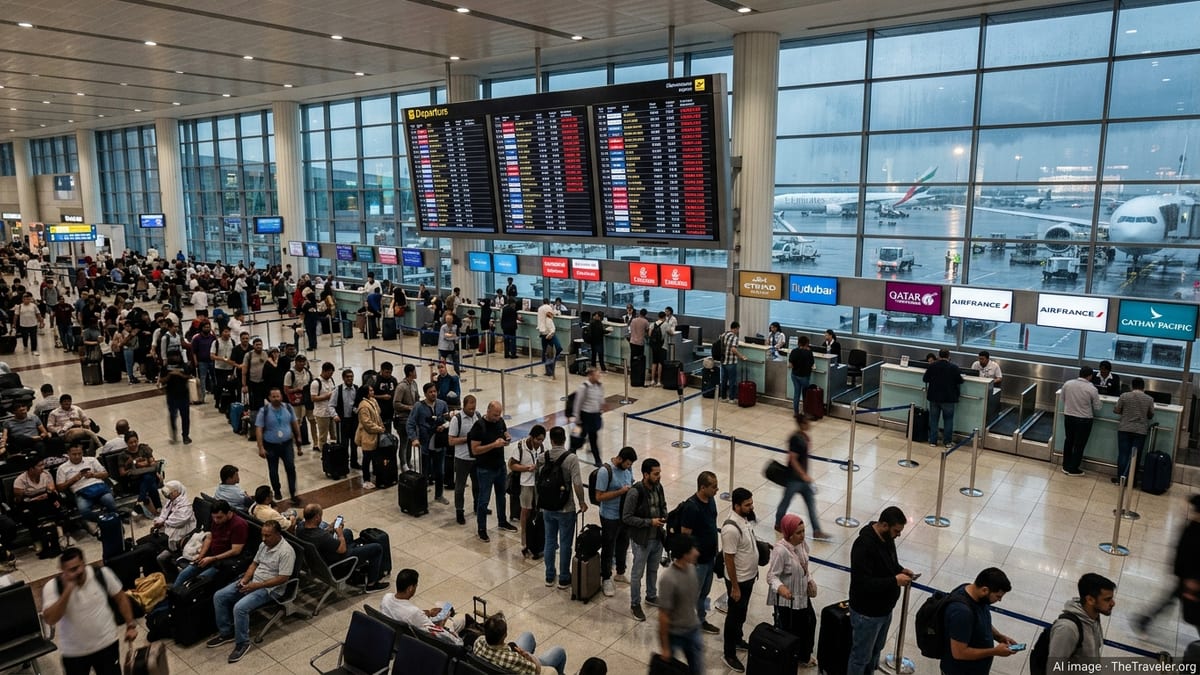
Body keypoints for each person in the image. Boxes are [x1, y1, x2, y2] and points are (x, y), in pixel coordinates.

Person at [209, 519, 296, 663]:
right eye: (262, 535)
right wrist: (245, 579)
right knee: (219, 596)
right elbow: (254, 564)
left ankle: (242, 643)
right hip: (254, 581)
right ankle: (226, 632)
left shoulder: (286, 552)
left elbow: (283, 578)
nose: (263, 539)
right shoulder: (263, 545)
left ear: (278, 534)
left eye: (267, 535)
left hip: (270, 589)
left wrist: (257, 585)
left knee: (240, 608)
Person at [42, 547, 139, 675]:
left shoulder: (102, 574)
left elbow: (121, 598)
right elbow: (50, 619)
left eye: (76, 568)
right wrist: (67, 592)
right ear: (63, 571)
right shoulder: (52, 587)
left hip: (107, 645)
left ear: (83, 563)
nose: (74, 574)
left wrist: (130, 625)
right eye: (69, 571)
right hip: (74, 653)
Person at [847, 506, 914, 675]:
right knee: (861, 657)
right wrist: (894, 581)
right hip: (867, 614)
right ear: (884, 525)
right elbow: (863, 583)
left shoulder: (887, 538)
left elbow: (889, 564)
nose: (898, 535)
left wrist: (900, 570)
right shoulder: (863, 545)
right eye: (896, 531)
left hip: (884, 610)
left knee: (876, 650)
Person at [1135, 493, 1200, 634]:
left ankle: (1144, 620)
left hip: (1187, 576)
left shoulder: (1191, 527)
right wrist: (1192, 579)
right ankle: (1143, 620)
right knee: (1189, 608)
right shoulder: (1194, 529)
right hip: (1190, 578)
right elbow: (1186, 554)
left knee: (1171, 599)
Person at [940, 568, 1017, 675]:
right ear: (985, 590)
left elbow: (980, 620)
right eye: (998, 596)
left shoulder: (973, 592)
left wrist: (998, 636)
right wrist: (995, 651)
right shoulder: (962, 613)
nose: (999, 600)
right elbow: (959, 653)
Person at [296, 503, 389, 592]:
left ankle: (354, 572)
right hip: (338, 565)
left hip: (322, 559)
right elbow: (342, 550)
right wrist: (340, 534)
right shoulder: (322, 536)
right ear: (316, 517)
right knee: (377, 548)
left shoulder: (300, 528)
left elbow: (320, 538)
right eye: (320, 516)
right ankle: (372, 585)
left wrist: (329, 528)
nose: (321, 518)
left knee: (347, 532)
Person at [537, 426, 587, 588]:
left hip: (547, 507)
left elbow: (538, 478)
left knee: (549, 541)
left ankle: (549, 576)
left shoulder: (543, 457)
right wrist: (582, 501)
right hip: (566, 507)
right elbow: (577, 483)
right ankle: (564, 578)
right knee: (565, 544)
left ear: (551, 440)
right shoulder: (571, 458)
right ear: (564, 439)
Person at [767, 514, 818, 668]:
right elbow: (771, 576)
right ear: (789, 533)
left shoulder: (801, 545)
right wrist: (781, 588)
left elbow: (804, 565)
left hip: (801, 595)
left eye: (803, 531)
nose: (802, 535)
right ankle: (791, 657)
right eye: (798, 532)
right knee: (791, 630)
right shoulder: (780, 551)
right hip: (787, 600)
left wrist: (809, 580)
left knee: (810, 622)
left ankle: (804, 654)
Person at [720, 487, 759, 673]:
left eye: (751, 503)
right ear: (736, 506)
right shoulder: (730, 529)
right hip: (739, 581)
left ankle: (737, 639)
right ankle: (729, 653)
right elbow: (729, 559)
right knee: (734, 616)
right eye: (747, 504)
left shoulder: (744, 519)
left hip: (748, 577)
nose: (751, 507)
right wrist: (735, 587)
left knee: (741, 613)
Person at [677, 471, 721, 634]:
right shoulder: (692, 507)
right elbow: (685, 535)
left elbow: (712, 525)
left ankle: (700, 619)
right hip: (698, 562)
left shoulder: (711, 500)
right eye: (714, 487)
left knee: (704, 592)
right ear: (703, 487)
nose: (717, 490)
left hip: (710, 557)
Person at [623, 457, 667, 622]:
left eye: (659, 473)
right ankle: (635, 603)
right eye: (655, 474)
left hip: (657, 538)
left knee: (653, 569)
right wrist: (649, 522)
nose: (659, 476)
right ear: (645, 474)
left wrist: (664, 515)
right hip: (642, 540)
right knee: (637, 574)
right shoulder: (635, 492)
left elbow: (663, 505)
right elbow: (627, 517)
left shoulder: (659, 487)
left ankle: (651, 595)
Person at [468, 400, 518, 542]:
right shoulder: (479, 426)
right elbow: (475, 450)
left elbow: (504, 432)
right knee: (484, 500)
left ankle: (502, 521)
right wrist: (493, 445)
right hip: (485, 469)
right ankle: (482, 529)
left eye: (499, 414)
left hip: (500, 466)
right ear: (488, 411)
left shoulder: (500, 421)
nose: (497, 417)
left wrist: (507, 438)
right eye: (495, 414)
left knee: (501, 496)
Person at [776, 413, 830, 539]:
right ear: (802, 424)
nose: (810, 424)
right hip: (794, 479)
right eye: (807, 422)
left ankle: (817, 530)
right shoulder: (796, 439)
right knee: (786, 501)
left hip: (802, 480)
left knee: (810, 504)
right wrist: (803, 474)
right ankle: (778, 523)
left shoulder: (803, 437)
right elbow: (793, 459)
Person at [174, 499, 248, 589]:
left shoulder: (239, 525)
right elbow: (209, 537)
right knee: (184, 574)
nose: (216, 520)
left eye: (219, 517)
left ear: (229, 513)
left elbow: (236, 550)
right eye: (214, 517)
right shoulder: (216, 520)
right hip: (209, 556)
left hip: (222, 562)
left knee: (198, 583)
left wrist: (213, 558)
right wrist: (201, 555)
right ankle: (172, 594)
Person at [380, 568, 464, 646]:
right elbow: (437, 634)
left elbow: (403, 612)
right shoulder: (414, 612)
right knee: (460, 619)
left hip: (393, 638)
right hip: (420, 643)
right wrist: (458, 641)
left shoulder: (386, 598)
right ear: (410, 588)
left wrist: (429, 613)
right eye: (416, 586)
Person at [657, 533, 703, 675]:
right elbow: (663, 615)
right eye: (692, 550)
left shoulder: (692, 569)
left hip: (692, 628)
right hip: (674, 633)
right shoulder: (668, 579)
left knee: (697, 669)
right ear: (684, 555)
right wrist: (665, 647)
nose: (697, 552)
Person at [1046, 573, 1115, 666]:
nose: (1113, 603)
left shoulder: (1093, 617)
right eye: (1107, 599)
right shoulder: (1067, 629)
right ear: (1090, 600)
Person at [595, 446, 636, 597]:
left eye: (630, 465)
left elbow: (630, 483)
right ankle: (606, 577)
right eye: (627, 464)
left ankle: (620, 571)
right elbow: (599, 496)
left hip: (624, 515)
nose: (629, 467)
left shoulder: (628, 469)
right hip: (609, 516)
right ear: (619, 459)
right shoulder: (605, 472)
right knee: (608, 547)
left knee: (623, 544)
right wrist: (620, 492)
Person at [472, 613, 568, 675]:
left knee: (528, 636)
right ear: (504, 636)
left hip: (493, 666)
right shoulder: (513, 659)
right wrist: (528, 658)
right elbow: (536, 670)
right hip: (522, 666)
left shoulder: (479, 642)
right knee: (559, 652)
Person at [255, 387, 303, 502]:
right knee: (273, 469)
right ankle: (277, 491)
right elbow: (259, 429)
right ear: (269, 398)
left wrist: (298, 438)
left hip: (287, 444)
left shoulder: (288, 408)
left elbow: (294, 423)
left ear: (281, 396)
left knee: (290, 467)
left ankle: (293, 493)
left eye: (278, 396)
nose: (276, 398)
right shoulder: (264, 411)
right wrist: (260, 447)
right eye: (274, 396)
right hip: (271, 445)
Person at [408, 382, 451, 504]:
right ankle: (422, 495)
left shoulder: (442, 404)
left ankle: (439, 495)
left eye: (435, 391)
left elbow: (448, 420)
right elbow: (410, 423)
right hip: (425, 444)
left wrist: (444, 426)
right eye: (430, 392)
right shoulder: (418, 407)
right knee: (425, 471)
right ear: (425, 394)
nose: (433, 394)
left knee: (440, 471)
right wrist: (414, 438)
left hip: (439, 444)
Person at [58, 442, 117, 527]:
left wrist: (93, 475)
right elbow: (60, 487)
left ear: (83, 452)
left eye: (79, 453)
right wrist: (73, 479)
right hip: (81, 492)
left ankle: (114, 521)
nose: (77, 456)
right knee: (84, 510)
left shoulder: (91, 460)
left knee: (110, 502)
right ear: (68, 454)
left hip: (98, 487)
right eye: (74, 454)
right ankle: (103, 520)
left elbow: (105, 474)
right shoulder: (62, 468)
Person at [509, 424, 545, 557]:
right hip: (525, 483)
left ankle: (538, 539)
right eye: (538, 439)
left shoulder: (541, 448)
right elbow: (512, 465)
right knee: (525, 511)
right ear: (531, 437)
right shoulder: (520, 447)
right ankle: (524, 541)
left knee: (538, 511)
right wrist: (526, 468)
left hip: (537, 483)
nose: (539, 442)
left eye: (542, 440)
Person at [1060, 366, 1101, 477]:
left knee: (1069, 441)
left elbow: (1062, 399)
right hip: (1084, 419)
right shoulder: (1091, 388)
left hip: (1069, 416)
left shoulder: (1068, 384)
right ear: (1090, 376)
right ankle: (1073, 469)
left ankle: (1065, 465)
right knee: (1079, 444)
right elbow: (1097, 406)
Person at [1113, 377, 1154, 484]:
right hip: (1140, 431)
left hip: (1125, 428)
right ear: (1143, 387)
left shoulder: (1124, 396)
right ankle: (1132, 481)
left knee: (1123, 454)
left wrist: (1125, 412)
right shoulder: (1149, 399)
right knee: (1135, 456)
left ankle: (1121, 479)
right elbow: (1150, 415)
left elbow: (1116, 410)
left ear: (1132, 386)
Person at [450, 395, 483, 526]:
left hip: (476, 457)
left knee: (478, 484)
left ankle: (478, 506)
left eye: (474, 408)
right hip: (462, 458)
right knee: (460, 487)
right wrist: (468, 438)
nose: (472, 411)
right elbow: (451, 441)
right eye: (470, 408)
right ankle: (459, 511)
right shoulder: (456, 420)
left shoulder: (477, 416)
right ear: (464, 406)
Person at [923, 348, 964, 448]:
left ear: (938, 356)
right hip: (948, 398)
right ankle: (947, 442)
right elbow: (960, 381)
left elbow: (925, 379)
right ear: (949, 356)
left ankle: (933, 441)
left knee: (933, 420)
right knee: (948, 420)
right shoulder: (954, 367)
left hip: (934, 397)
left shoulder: (932, 366)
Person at [571, 366, 609, 467]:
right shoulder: (584, 387)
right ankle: (572, 452)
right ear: (590, 375)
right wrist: (577, 418)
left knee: (593, 439)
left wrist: (601, 409)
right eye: (597, 374)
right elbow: (578, 403)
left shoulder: (600, 386)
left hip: (594, 417)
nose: (599, 376)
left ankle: (597, 460)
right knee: (579, 438)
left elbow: (601, 400)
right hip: (584, 417)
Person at [119, 431, 162, 518]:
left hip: (148, 477)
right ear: (126, 443)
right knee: (149, 480)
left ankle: (140, 501)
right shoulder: (123, 455)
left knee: (147, 477)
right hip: (135, 481)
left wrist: (151, 464)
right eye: (131, 443)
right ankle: (158, 507)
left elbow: (152, 462)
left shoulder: (144, 449)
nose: (134, 444)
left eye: (135, 441)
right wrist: (131, 465)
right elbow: (122, 473)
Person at [355, 384, 387, 489]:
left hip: (375, 434)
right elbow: (367, 423)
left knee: (375, 457)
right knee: (367, 458)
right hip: (367, 436)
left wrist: (381, 426)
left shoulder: (373, 401)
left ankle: (376, 476)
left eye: (373, 390)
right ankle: (366, 479)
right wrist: (379, 429)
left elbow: (378, 415)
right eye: (370, 391)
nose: (373, 392)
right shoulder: (363, 406)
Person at [159, 350, 194, 444]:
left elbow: (189, 376)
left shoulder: (184, 365)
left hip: (184, 394)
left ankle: (185, 435)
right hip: (171, 395)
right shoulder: (166, 367)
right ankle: (174, 434)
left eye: (178, 356)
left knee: (185, 416)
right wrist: (170, 375)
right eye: (174, 356)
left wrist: (180, 374)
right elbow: (162, 380)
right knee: (172, 416)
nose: (176, 358)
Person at [333, 368, 361, 470]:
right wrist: (335, 415)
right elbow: (331, 405)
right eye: (347, 377)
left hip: (354, 421)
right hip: (342, 421)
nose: (350, 378)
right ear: (343, 378)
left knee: (354, 443)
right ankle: (343, 464)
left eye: (351, 376)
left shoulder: (357, 389)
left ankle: (354, 462)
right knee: (343, 444)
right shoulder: (338, 390)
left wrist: (357, 410)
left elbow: (359, 403)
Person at [394, 363, 420, 467]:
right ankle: (403, 463)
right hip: (402, 419)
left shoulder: (414, 384)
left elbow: (417, 398)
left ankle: (408, 461)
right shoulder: (401, 387)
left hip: (412, 419)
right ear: (410, 373)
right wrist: (408, 407)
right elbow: (396, 404)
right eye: (414, 371)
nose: (416, 373)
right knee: (404, 442)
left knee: (410, 441)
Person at [310, 362, 337, 449]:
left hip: (331, 412)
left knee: (334, 434)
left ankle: (334, 451)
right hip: (321, 413)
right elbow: (313, 398)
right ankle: (323, 452)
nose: (331, 375)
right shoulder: (316, 383)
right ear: (324, 371)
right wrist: (327, 396)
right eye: (329, 373)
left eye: (332, 373)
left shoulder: (331, 380)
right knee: (323, 436)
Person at [788, 335, 815, 415]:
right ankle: (805, 411)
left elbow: (790, 365)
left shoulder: (794, 351)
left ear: (798, 343)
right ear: (807, 343)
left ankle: (796, 412)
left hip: (794, 375)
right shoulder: (809, 352)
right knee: (805, 394)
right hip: (804, 376)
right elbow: (812, 364)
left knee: (796, 393)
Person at [717, 322, 744, 402]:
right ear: (736, 328)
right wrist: (741, 356)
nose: (738, 331)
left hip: (723, 361)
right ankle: (731, 398)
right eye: (738, 329)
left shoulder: (723, 335)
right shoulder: (734, 337)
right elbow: (733, 349)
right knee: (732, 381)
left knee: (723, 380)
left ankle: (723, 397)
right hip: (731, 362)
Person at [536, 298, 562, 379]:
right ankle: (550, 370)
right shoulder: (549, 311)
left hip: (542, 333)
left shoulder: (539, 309)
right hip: (549, 334)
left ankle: (547, 370)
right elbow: (555, 314)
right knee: (550, 353)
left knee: (545, 352)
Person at [438, 310, 461, 374]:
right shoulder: (443, 327)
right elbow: (445, 336)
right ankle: (442, 375)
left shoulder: (454, 326)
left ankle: (457, 374)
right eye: (447, 319)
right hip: (443, 347)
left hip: (451, 347)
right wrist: (452, 336)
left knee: (456, 361)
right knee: (442, 363)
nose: (449, 320)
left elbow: (455, 336)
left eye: (450, 319)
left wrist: (452, 336)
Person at [648, 311, 667, 385]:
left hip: (654, 346)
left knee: (654, 362)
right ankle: (659, 381)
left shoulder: (652, 324)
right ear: (664, 317)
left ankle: (652, 380)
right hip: (662, 346)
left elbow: (649, 334)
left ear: (658, 317)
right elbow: (671, 332)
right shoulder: (666, 324)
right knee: (660, 363)